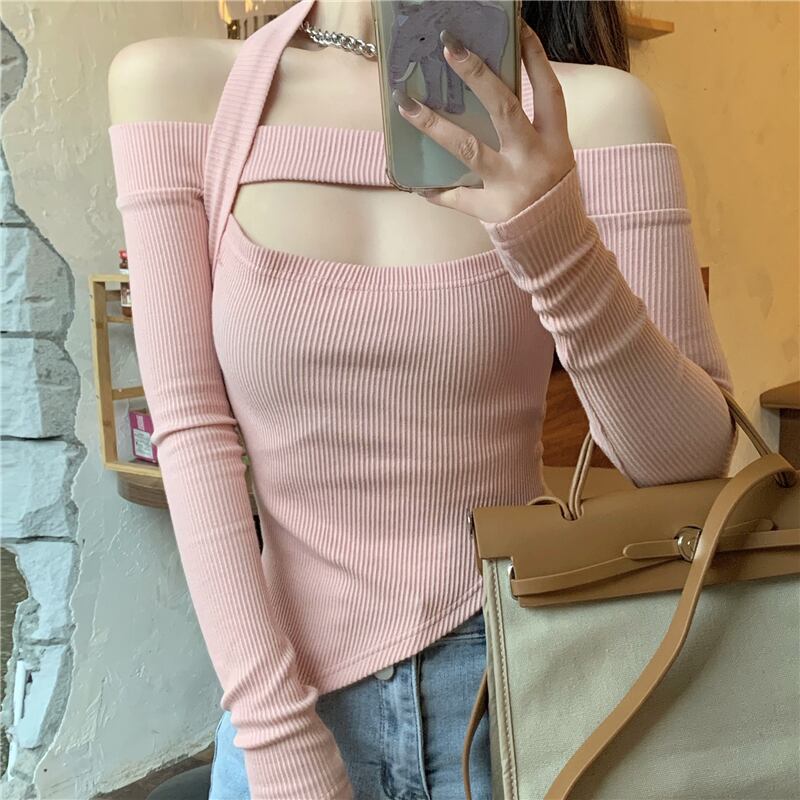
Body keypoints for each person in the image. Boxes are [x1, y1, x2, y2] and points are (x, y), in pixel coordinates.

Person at [106, 1, 737, 798]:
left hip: (515, 697)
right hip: (282, 709)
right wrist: (280, 745)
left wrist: (555, 242)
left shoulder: (596, 111)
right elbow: (193, 430)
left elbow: (690, 463)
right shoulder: (180, 87)